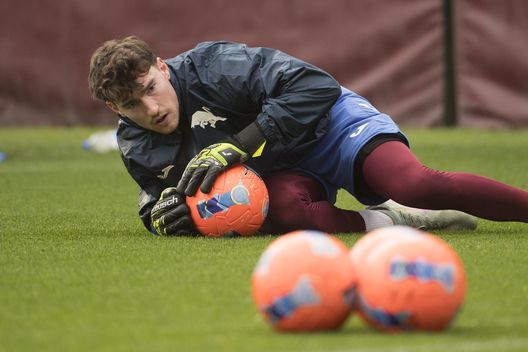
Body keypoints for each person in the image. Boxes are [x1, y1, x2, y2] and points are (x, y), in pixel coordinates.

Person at [88, 36, 528, 236]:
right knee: (286, 214)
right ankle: (396, 221)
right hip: (281, 168)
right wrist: (161, 216)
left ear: (162, 68)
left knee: (414, 184)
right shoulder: (136, 143)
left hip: (331, 125)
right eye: (131, 106)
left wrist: (240, 143)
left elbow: (317, 86)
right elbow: (157, 194)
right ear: (114, 109)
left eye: (151, 89)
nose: (152, 110)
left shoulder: (215, 66)